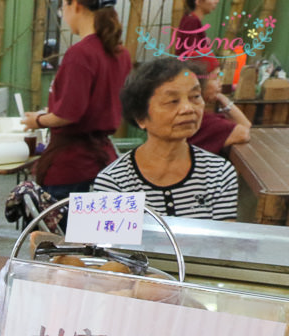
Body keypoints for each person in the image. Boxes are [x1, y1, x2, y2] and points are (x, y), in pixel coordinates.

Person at [92, 58, 238, 220]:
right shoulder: (114, 181)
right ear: (141, 117)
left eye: (195, 96)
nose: (188, 108)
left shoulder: (219, 173)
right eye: (173, 101)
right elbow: (110, 244)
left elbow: (223, 243)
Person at [21, 0, 131, 202]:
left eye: (63, 5)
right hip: (103, 164)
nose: (63, 12)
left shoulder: (80, 53)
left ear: (76, 5)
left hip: (71, 166)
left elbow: (68, 115)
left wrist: (37, 120)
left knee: (62, 233)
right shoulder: (120, 54)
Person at [188, 56, 251, 154]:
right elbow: (244, 130)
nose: (220, 83)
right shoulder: (203, 121)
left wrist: (221, 97)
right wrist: (223, 98)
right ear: (199, 83)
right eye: (215, 78)